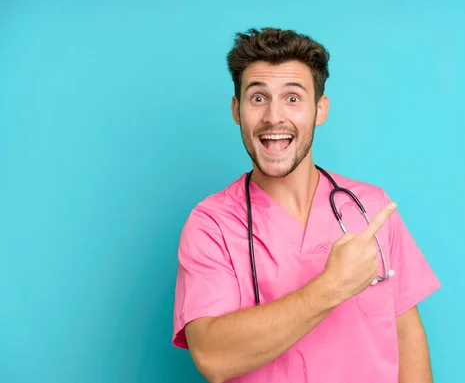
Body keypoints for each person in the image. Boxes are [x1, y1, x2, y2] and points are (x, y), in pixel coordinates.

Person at [171, 27, 441, 383]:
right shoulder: (212, 225)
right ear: (237, 110)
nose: (273, 117)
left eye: (293, 98)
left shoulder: (371, 208)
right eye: (257, 98)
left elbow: (408, 339)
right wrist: (331, 288)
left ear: (320, 109)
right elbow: (211, 357)